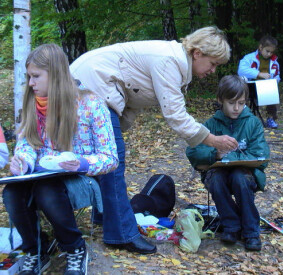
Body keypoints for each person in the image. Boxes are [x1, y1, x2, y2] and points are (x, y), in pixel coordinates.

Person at [70, 26, 239, 254]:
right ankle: (121, 234)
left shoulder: (174, 60)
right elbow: (175, 115)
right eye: (213, 63)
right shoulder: (169, 60)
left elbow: (132, 95)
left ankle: (105, 217)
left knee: (104, 161)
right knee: (113, 162)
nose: (212, 70)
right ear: (197, 53)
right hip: (89, 86)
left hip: (86, 85)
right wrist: (213, 140)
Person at [2, 44, 118, 275]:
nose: (31, 83)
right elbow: (28, 144)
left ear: (55, 74)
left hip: (80, 179)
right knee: (11, 192)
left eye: (36, 76)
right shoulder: (33, 104)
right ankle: (37, 249)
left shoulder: (91, 104)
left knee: (46, 189)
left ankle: (75, 249)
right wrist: (22, 161)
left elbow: (110, 158)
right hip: (41, 176)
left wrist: (82, 163)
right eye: (29, 77)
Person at [186, 75, 270, 251]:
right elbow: (193, 151)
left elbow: (261, 155)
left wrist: (230, 157)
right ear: (220, 100)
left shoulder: (253, 123)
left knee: (240, 178)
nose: (237, 108)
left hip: (245, 174)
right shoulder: (211, 124)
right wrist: (215, 152)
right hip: (218, 173)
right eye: (232, 103)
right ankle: (231, 226)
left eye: (241, 102)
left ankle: (251, 231)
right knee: (216, 179)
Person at [237, 35, 280, 128]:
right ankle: (245, 118)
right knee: (244, 96)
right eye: (267, 51)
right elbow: (241, 70)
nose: (269, 54)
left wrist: (276, 80)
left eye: (271, 52)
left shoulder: (274, 62)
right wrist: (258, 74)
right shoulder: (250, 58)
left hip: (266, 87)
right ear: (261, 47)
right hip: (251, 86)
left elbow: (277, 74)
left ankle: (270, 118)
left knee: (273, 93)